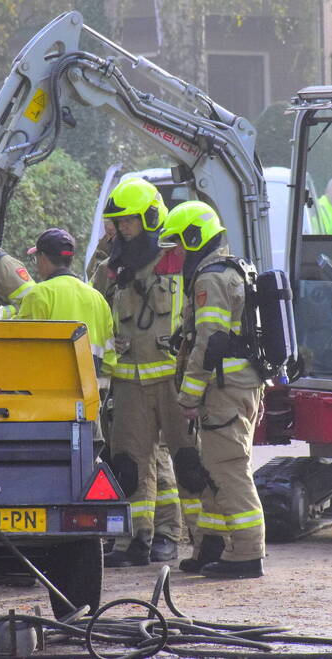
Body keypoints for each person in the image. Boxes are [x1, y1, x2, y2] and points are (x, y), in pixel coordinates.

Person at [93, 177, 201, 568]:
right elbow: (95, 315)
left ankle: (181, 539)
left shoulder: (177, 260)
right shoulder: (109, 268)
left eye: (129, 222)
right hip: (129, 383)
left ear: (152, 218)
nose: (122, 229)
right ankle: (137, 540)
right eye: (118, 222)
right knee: (130, 464)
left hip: (172, 380)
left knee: (186, 462)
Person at [158, 201, 266, 579]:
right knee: (213, 469)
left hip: (225, 390)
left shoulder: (210, 279)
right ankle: (214, 547)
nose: (177, 255)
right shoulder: (227, 270)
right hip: (233, 388)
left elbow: (208, 341)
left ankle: (248, 554)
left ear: (194, 237)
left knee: (229, 469)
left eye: (179, 246)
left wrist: (188, 397)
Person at [17, 227, 116, 375]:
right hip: (90, 392)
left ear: (43, 258)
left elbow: (23, 348)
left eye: (35, 258)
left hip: (49, 387)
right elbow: (109, 360)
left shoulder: (39, 294)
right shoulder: (97, 298)